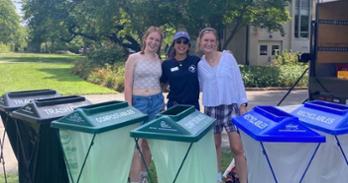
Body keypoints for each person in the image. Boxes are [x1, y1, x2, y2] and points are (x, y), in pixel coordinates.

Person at [196, 27, 248, 183]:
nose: (209, 43)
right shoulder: (200, 65)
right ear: (200, 42)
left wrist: (242, 104)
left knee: (237, 148)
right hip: (211, 109)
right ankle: (217, 179)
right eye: (206, 40)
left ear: (216, 42)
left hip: (230, 107)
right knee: (215, 147)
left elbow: (238, 81)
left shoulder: (227, 58)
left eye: (212, 40)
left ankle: (244, 180)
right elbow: (199, 86)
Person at [124, 26, 164, 183]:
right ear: (145, 39)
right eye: (151, 38)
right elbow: (127, 84)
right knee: (136, 144)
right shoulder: (134, 58)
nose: (153, 42)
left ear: (160, 44)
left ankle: (143, 176)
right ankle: (134, 180)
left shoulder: (159, 61)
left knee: (148, 143)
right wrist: (128, 106)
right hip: (138, 102)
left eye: (157, 40)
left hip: (156, 102)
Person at [160, 31, 201, 110]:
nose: (182, 45)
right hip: (174, 106)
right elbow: (162, 85)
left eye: (185, 42)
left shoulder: (196, 61)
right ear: (174, 45)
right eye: (178, 42)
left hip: (193, 106)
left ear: (188, 46)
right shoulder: (167, 64)